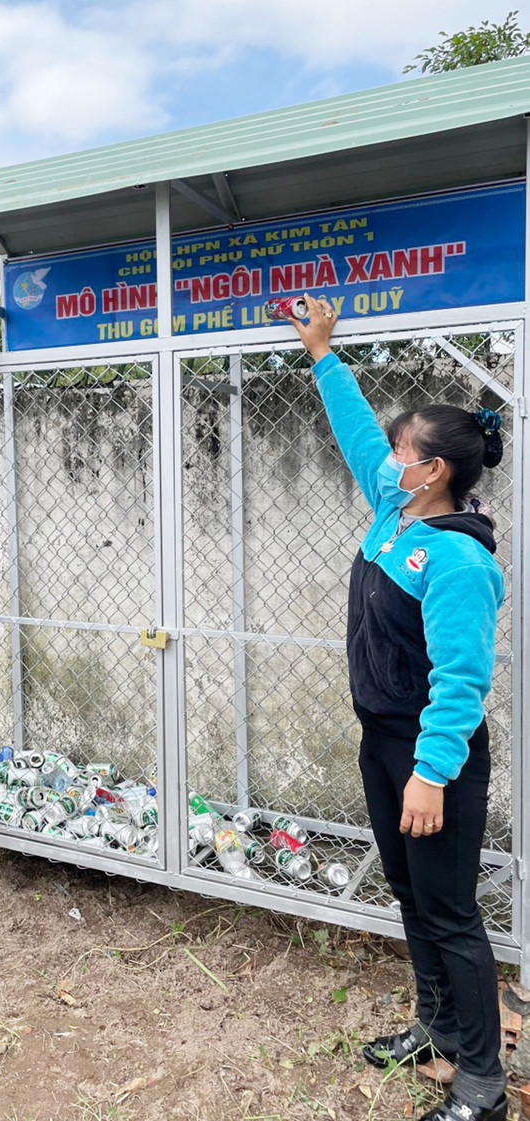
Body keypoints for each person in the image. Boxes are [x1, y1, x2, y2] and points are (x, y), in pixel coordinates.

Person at [292, 294, 507, 1121]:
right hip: (382, 742)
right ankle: (438, 1026)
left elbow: (460, 682)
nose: (388, 458)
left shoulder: (455, 556)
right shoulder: (394, 512)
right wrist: (321, 353)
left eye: (402, 450)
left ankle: (481, 1080)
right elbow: (354, 434)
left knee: (451, 912)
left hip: (433, 759)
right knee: (413, 898)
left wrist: (430, 774)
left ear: (436, 469)